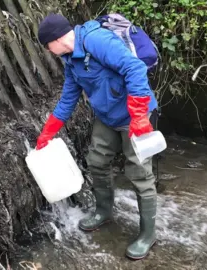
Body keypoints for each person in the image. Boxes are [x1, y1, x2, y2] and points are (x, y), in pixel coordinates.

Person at [35, 13, 159, 260]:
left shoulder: (97, 41)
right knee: (97, 162)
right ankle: (104, 211)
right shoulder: (71, 60)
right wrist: (49, 131)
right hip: (107, 117)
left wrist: (138, 115)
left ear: (56, 39)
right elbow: (69, 97)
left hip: (135, 116)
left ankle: (148, 234)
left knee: (139, 174)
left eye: (47, 46)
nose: (49, 51)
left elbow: (134, 67)